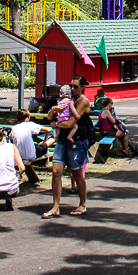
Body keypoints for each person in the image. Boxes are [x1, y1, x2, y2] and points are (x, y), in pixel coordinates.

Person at [42, 74, 92, 219]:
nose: (72, 88)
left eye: (75, 86)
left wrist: (56, 124)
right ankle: (55, 207)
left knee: (76, 174)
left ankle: (82, 205)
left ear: (83, 87)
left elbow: (70, 123)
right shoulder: (65, 100)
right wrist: (53, 110)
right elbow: (49, 117)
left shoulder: (83, 101)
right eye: (70, 85)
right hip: (63, 140)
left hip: (77, 141)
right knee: (55, 171)